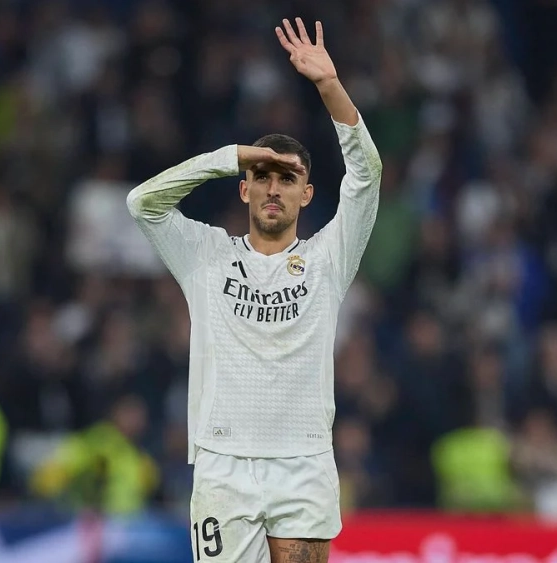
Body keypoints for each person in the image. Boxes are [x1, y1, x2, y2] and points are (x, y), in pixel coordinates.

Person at [127, 17, 382, 563]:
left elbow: (366, 177)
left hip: (304, 461)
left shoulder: (327, 259)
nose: (273, 188)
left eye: (286, 178)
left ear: (307, 194)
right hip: (223, 464)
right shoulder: (205, 255)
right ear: (243, 187)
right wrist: (230, 155)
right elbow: (143, 203)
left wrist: (329, 87)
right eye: (261, 175)